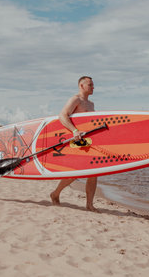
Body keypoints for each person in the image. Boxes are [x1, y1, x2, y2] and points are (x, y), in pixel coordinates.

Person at [50, 76, 99, 212]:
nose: (93, 87)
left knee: (95, 172)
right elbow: (62, 116)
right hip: (76, 141)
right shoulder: (75, 99)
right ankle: (55, 194)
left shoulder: (91, 104)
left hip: (88, 141)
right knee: (75, 172)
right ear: (82, 86)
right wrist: (74, 131)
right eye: (90, 84)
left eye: (93, 85)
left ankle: (89, 205)